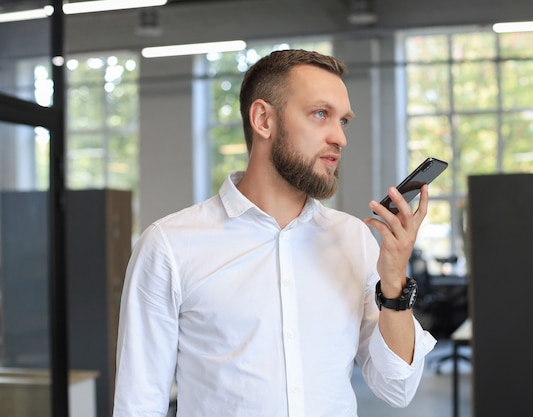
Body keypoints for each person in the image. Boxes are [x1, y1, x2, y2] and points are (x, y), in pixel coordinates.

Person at [112, 49, 436, 417]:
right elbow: (138, 403)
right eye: (320, 114)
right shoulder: (169, 245)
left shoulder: (353, 239)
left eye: (343, 121)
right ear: (263, 119)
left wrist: (394, 287)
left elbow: (397, 387)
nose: (340, 138)